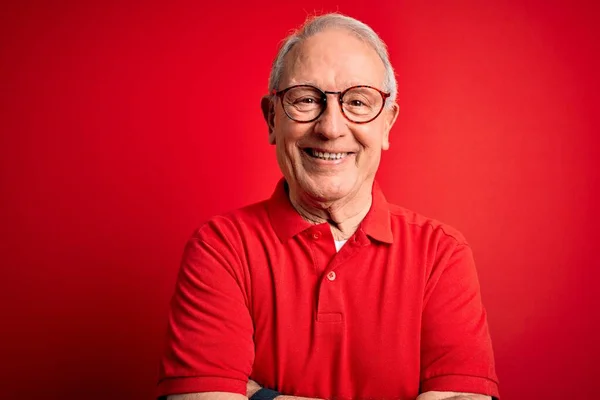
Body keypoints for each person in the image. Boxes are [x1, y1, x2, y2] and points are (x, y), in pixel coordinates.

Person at [157, 13, 499, 400]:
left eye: (357, 101)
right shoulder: (221, 248)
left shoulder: (441, 253)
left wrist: (259, 396)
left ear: (387, 124)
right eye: (306, 99)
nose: (331, 127)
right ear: (272, 119)